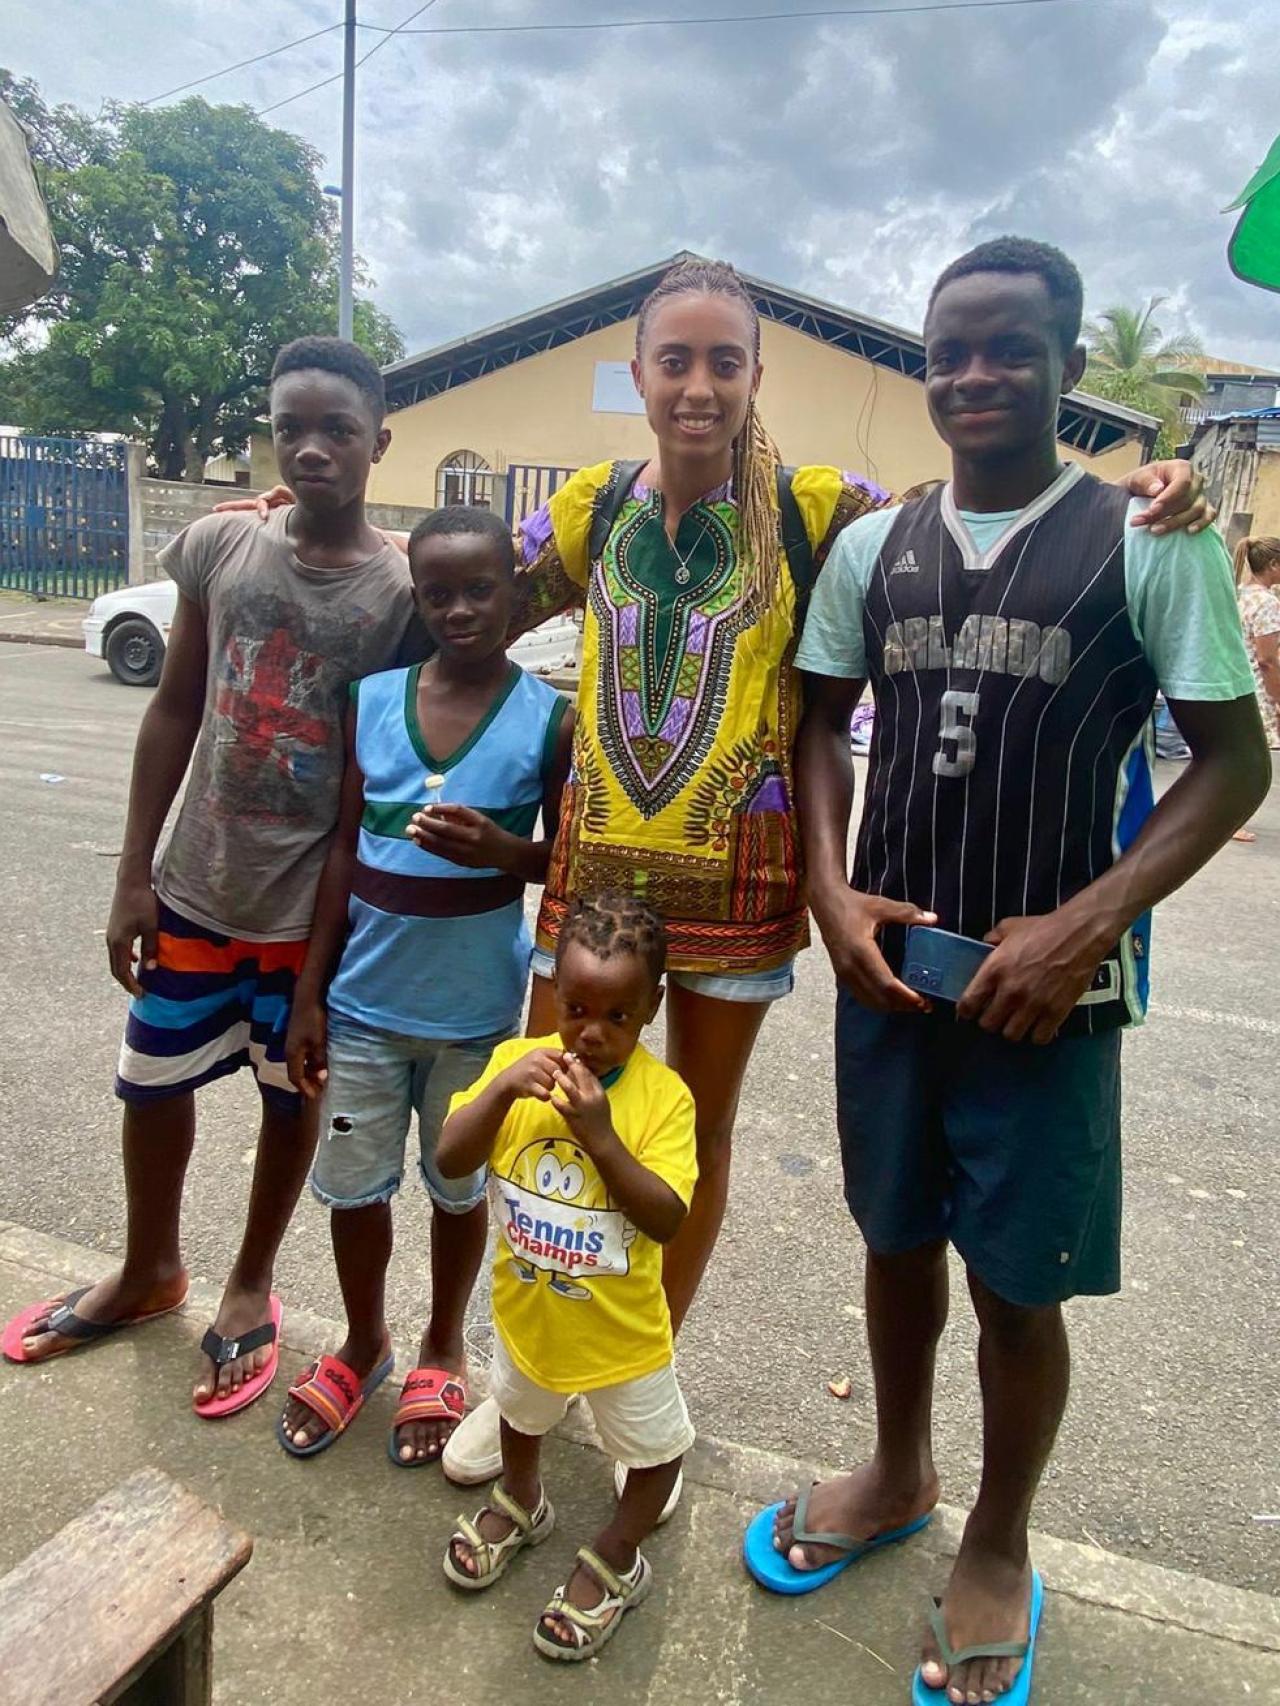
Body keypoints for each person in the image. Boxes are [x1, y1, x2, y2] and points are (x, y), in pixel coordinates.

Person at [229, 261, 1211, 1488]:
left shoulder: (815, 507)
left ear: (754, 375)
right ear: (637, 374)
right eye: (674, 361)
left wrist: (1132, 490)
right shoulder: (590, 507)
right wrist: (325, 526)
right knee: (541, 1111)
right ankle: (519, 1376)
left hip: (743, 898)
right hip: (591, 895)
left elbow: (976, 506)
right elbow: (459, 596)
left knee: (680, 1140)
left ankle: (633, 1365)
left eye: (722, 362)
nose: (697, 387)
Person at [749, 238, 1268, 1706]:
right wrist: (830, 890)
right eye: (948, 351)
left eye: (1009, 348)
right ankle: (899, 1468)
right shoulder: (873, 548)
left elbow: (1234, 765)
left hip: (1050, 995)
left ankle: (997, 1536)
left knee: (1015, 1286)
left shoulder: (1145, 540)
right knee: (895, 1238)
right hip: (894, 977)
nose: (974, 374)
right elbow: (818, 727)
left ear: (1067, 366)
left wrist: (1088, 918)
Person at [1, 337, 427, 1418]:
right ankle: (150, 1267)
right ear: (269, 438)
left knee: (291, 1099)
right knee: (151, 1083)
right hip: (194, 885)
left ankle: (248, 1283)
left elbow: (378, 773)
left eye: (338, 429)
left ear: (380, 442)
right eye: (292, 427)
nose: (314, 447)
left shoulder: (400, 594)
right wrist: (131, 875)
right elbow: (175, 708)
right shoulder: (218, 549)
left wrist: (334, 957)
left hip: (306, 914)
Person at [276, 506, 573, 1462]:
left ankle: (442, 1345)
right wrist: (310, 996)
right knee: (356, 1193)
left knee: (457, 1190)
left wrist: (506, 851)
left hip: (475, 1022)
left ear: (516, 595)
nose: (457, 609)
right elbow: (339, 858)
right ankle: (364, 1341)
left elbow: (565, 866)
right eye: (436, 593)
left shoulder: (546, 719)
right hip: (360, 1010)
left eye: (478, 589)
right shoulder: (372, 701)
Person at [435, 892, 696, 1663]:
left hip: (622, 1337)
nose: (592, 1032)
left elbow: (667, 1217)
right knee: (520, 1410)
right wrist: (498, 1092)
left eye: (618, 1017)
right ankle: (522, 1498)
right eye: (577, 1007)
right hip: (529, 1315)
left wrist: (602, 1137)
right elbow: (451, 1159)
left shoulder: (662, 1100)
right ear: (551, 988)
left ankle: (619, 1552)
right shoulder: (518, 1065)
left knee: (653, 1452)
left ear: (652, 1006)